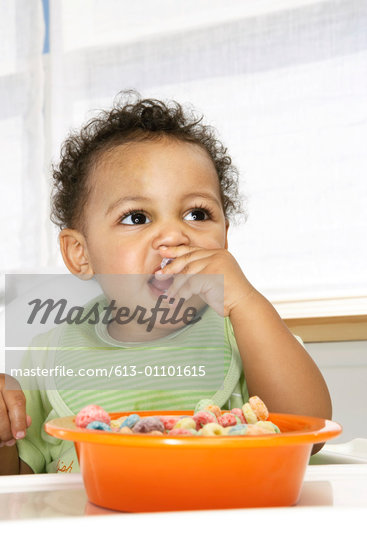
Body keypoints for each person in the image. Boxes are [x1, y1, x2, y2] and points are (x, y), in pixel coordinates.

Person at [0, 91, 332, 474]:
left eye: (197, 213)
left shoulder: (243, 331)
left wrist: (245, 302)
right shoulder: (49, 356)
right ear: (81, 253)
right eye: (137, 217)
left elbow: (311, 431)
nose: (174, 236)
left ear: (224, 237)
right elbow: (21, 488)